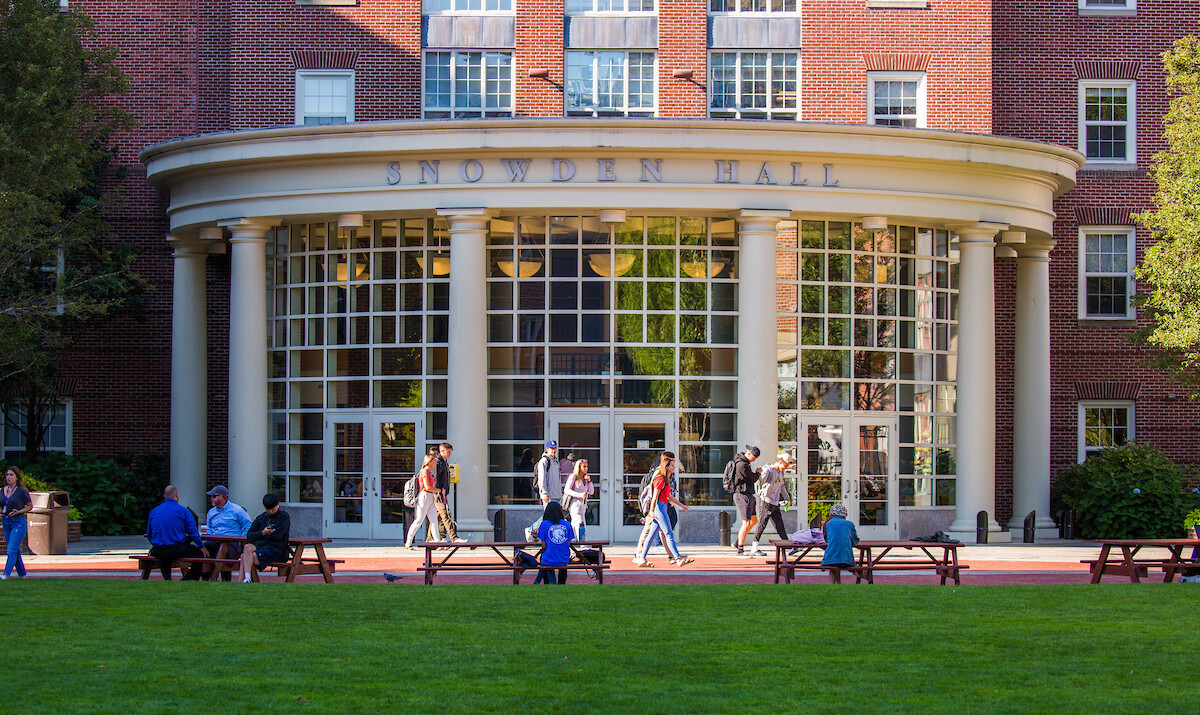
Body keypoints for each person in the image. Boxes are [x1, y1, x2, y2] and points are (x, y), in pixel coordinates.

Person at [633, 453, 693, 568]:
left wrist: (682, 506)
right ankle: (678, 558)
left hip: (662, 506)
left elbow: (670, 496)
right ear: (666, 467)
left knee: (651, 535)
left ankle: (641, 558)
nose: (674, 467)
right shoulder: (660, 479)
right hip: (659, 508)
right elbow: (655, 497)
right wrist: (651, 512)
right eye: (672, 465)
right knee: (668, 533)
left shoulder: (667, 479)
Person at [144, 484, 205, 581]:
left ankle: (167, 579)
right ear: (177, 495)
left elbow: (149, 534)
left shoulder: (154, 511)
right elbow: (193, 532)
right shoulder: (183, 511)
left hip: (159, 550)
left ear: (164, 496)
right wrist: (201, 546)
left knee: (163, 557)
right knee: (198, 554)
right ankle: (189, 578)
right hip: (177, 549)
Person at [747, 453, 794, 557]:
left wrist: (787, 497)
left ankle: (788, 547)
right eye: (785, 466)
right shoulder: (768, 470)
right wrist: (760, 491)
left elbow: (782, 486)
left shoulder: (780, 473)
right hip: (766, 501)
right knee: (762, 523)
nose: (785, 468)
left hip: (775, 502)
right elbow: (760, 482)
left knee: (779, 525)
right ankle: (754, 547)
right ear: (781, 462)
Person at [238, 493, 292, 583]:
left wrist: (264, 535)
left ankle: (243, 580)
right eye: (268, 509)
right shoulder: (262, 517)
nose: (270, 511)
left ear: (277, 504)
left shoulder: (283, 517)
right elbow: (249, 535)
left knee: (244, 557)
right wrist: (262, 533)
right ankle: (247, 578)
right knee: (247, 547)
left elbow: (278, 535)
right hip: (261, 546)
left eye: (272, 509)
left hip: (275, 549)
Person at [202, 485, 252, 580]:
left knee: (223, 549)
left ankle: (220, 579)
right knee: (203, 549)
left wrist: (241, 540)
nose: (211, 499)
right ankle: (206, 579)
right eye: (211, 496)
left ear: (222, 496)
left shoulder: (237, 510)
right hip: (215, 542)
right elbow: (209, 530)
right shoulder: (211, 512)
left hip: (232, 543)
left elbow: (248, 525)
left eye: (214, 496)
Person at [405, 453, 442, 549]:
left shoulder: (429, 472)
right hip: (424, 497)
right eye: (434, 461)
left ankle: (437, 543)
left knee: (434, 520)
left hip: (430, 496)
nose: (435, 463)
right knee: (419, 520)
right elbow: (427, 487)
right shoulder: (424, 472)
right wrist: (440, 490)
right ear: (429, 462)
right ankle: (408, 542)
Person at [524, 440, 559, 541]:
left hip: (556, 494)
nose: (553, 450)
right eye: (551, 448)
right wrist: (544, 492)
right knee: (548, 516)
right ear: (547, 449)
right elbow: (541, 478)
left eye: (555, 448)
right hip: (549, 494)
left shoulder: (555, 461)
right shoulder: (544, 461)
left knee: (552, 517)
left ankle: (536, 532)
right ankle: (532, 529)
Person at [2, 467, 33, 580]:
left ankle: (6, 574)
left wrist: (19, 512)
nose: (8, 477)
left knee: (11, 550)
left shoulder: (21, 491)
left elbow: (30, 506)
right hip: (6, 521)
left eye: (11, 475)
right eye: (7, 475)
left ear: (16, 477)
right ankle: (22, 575)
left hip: (18, 522)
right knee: (15, 550)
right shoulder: (2, 490)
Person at [433, 442, 467, 543]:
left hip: (442, 492)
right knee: (445, 515)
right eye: (448, 452)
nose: (449, 454)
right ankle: (454, 537)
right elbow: (435, 478)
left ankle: (431, 539)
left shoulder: (444, 462)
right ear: (442, 451)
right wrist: (440, 490)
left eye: (450, 452)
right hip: (439, 493)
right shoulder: (438, 462)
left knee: (437, 517)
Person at [731, 445, 762, 557]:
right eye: (753, 457)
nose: (754, 459)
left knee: (754, 520)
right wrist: (757, 473)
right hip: (742, 495)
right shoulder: (742, 465)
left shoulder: (745, 463)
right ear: (748, 453)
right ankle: (740, 549)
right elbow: (752, 478)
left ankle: (737, 541)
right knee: (746, 522)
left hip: (748, 494)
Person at [533, 501, 572, 584]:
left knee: (544, 559)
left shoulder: (544, 524)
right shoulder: (567, 524)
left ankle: (547, 583)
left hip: (549, 559)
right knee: (562, 565)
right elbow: (568, 543)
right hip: (563, 559)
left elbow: (543, 546)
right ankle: (562, 583)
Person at [821, 503, 860, 584]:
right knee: (839, 559)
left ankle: (832, 585)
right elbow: (855, 541)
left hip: (830, 559)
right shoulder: (849, 524)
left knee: (833, 564)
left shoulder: (828, 524)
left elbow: (826, 539)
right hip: (846, 559)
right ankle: (839, 584)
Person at [561, 458, 594, 541]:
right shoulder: (573, 477)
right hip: (575, 504)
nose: (586, 468)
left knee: (574, 525)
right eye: (584, 467)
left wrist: (590, 482)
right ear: (579, 467)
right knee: (580, 524)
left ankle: (568, 544)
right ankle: (584, 545)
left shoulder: (585, 479)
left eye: (587, 466)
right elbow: (566, 490)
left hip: (583, 505)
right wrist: (579, 495)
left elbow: (591, 492)